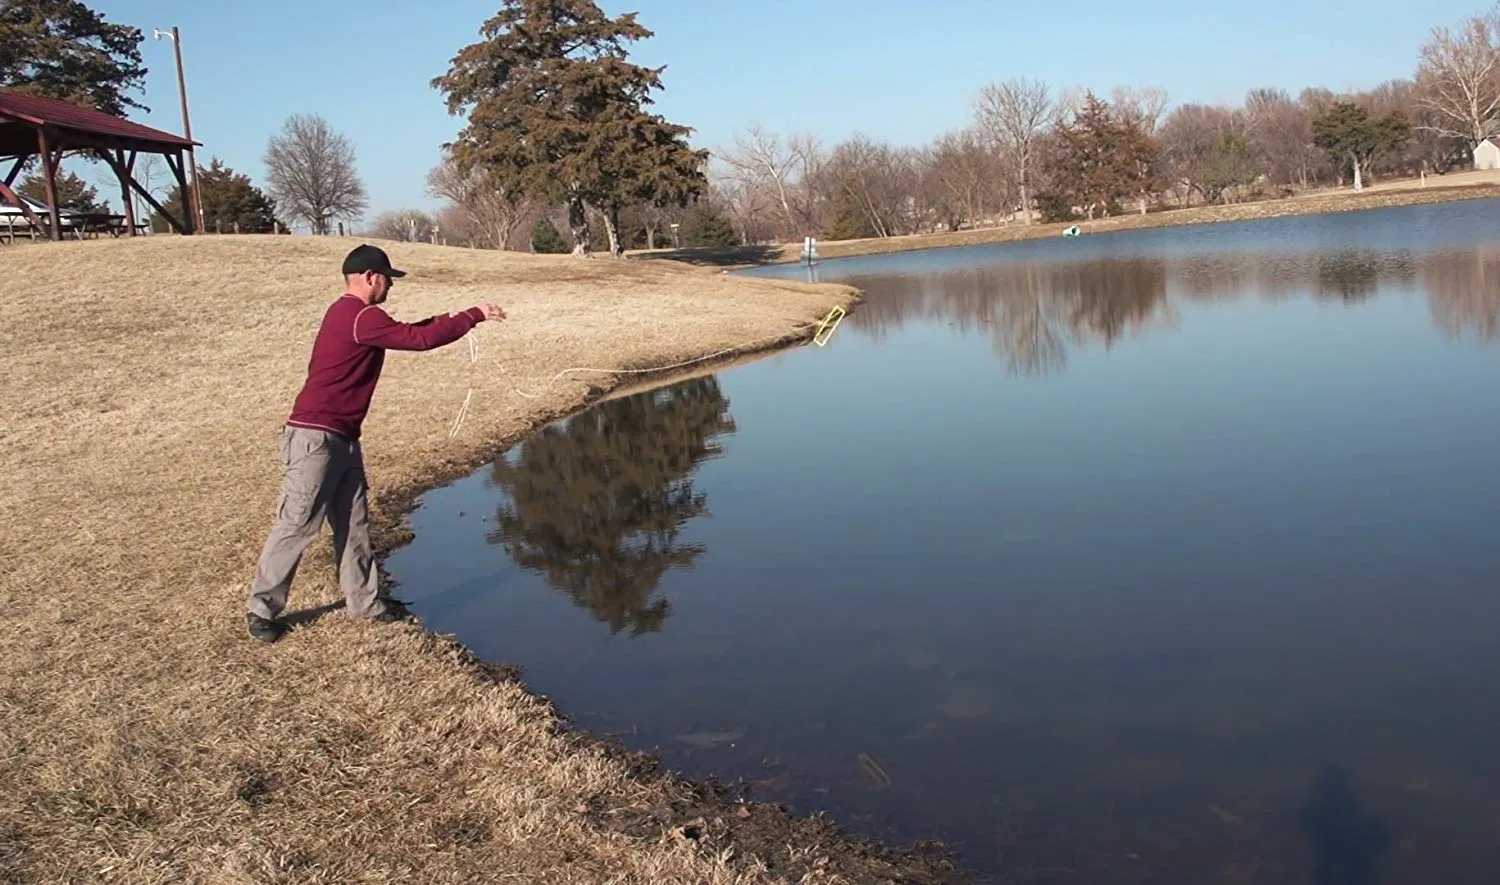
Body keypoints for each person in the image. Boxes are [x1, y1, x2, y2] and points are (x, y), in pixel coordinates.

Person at [245, 243, 504, 643]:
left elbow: (411, 331)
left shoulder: (356, 317)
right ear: (369, 277)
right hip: (315, 439)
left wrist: (452, 318)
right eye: (387, 278)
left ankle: (364, 604)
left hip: (344, 438)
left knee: (354, 523)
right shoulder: (358, 315)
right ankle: (261, 610)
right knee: (297, 523)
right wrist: (474, 315)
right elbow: (419, 341)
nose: (390, 287)